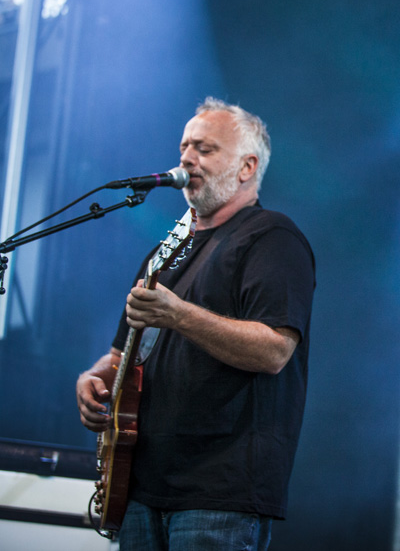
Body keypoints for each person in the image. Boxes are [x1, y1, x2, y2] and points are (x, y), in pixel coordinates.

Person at [76, 98, 315, 551]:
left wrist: (179, 315)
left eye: (205, 149)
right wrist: (94, 378)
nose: (186, 158)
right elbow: (123, 353)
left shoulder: (272, 238)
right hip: (142, 483)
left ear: (246, 167)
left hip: (218, 489)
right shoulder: (167, 251)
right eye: (185, 146)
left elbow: (274, 350)